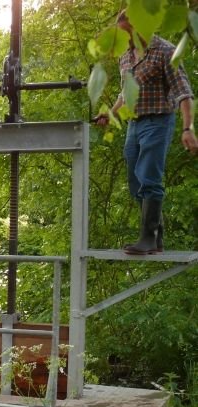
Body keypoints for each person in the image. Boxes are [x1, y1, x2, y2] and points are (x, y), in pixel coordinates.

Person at [95, 11, 197, 255]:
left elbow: (184, 92)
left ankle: (148, 238)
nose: (126, 37)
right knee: (135, 181)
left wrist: (187, 128)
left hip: (159, 121)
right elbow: (124, 94)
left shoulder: (165, 51)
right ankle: (156, 237)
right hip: (134, 124)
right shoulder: (126, 56)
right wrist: (111, 114)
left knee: (149, 177)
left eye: (129, 32)